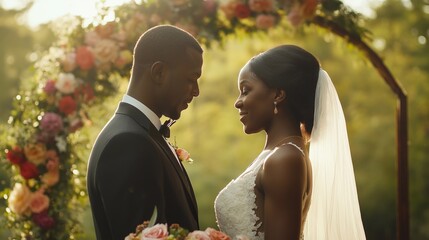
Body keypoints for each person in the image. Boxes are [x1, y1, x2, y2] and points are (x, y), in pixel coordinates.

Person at [214, 45, 366, 240]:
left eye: (245, 90)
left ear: (278, 94)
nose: (238, 102)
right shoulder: (278, 154)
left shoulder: (285, 159)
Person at [87, 25, 203, 240]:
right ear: (158, 72)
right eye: (191, 79)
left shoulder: (141, 134)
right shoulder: (128, 143)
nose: (196, 91)